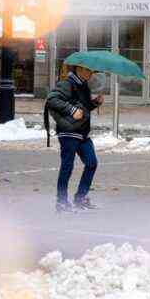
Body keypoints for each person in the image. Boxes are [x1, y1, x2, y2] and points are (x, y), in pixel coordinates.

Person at [44, 65, 104, 213]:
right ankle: (62, 201)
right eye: (89, 70)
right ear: (79, 69)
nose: (91, 73)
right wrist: (71, 110)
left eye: (92, 71)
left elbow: (82, 108)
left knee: (91, 163)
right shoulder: (67, 83)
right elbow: (52, 100)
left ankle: (80, 198)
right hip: (68, 132)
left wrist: (94, 103)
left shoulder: (82, 85)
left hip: (82, 132)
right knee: (67, 166)